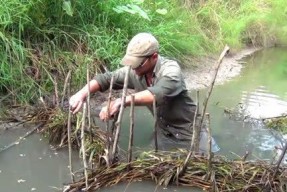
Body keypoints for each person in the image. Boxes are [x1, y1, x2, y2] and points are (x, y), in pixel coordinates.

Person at [69, 32, 219, 152]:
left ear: (154, 57)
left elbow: (158, 93)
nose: (133, 69)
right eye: (131, 64)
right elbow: (106, 79)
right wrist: (81, 94)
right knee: (150, 166)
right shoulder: (135, 71)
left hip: (190, 132)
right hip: (163, 131)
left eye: (137, 64)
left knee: (208, 164)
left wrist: (122, 101)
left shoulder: (171, 70)